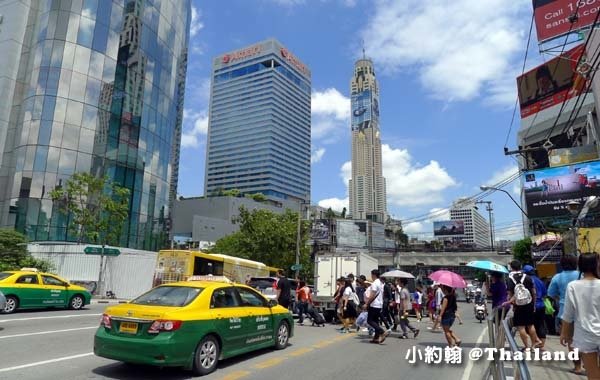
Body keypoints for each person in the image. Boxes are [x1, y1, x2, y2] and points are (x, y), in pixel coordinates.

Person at [560, 253, 600, 380]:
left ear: (580, 266)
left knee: (592, 373)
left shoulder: (573, 286)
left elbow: (568, 314)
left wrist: (565, 333)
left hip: (584, 335)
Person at [548, 254, 582, 375]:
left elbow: (550, 294)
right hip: (582, 311)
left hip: (564, 311)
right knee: (586, 339)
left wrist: (561, 297)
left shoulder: (557, 277)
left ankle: (577, 366)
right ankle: (590, 364)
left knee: (571, 341)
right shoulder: (581, 275)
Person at [506, 260, 541, 351]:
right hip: (529, 303)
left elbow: (510, 293)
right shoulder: (528, 277)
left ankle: (527, 346)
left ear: (512, 268)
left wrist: (513, 305)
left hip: (518, 305)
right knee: (530, 325)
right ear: (520, 267)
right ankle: (533, 346)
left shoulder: (510, 279)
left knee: (521, 326)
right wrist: (533, 304)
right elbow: (534, 292)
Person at [524, 265, 548, 350]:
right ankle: (541, 345)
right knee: (541, 324)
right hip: (541, 305)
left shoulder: (526, 280)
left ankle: (534, 343)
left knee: (530, 325)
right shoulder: (540, 281)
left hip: (531, 305)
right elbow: (545, 294)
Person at [363, 269, 389, 344]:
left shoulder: (374, 283)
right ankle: (376, 338)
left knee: (370, 320)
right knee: (375, 321)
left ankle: (382, 332)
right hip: (379, 304)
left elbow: (372, 295)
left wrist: (367, 304)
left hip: (374, 304)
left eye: (371, 275)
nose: (371, 276)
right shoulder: (380, 283)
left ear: (373, 275)